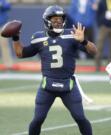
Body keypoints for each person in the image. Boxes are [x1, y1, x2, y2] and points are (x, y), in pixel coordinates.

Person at [11, 5, 97, 135]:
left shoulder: (72, 35)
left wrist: (84, 41)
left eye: (60, 19)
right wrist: (15, 38)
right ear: (47, 20)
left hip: (68, 85)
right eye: (54, 19)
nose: (58, 21)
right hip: (48, 85)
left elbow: (94, 51)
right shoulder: (39, 37)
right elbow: (20, 53)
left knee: (80, 118)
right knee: (38, 119)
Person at [0, 0, 13, 69]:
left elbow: (8, 6)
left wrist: (1, 4)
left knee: (4, 45)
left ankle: (8, 65)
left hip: (2, 25)